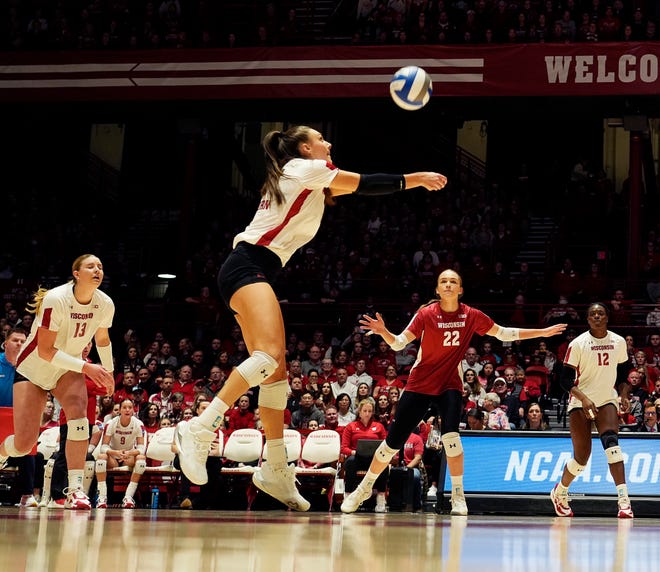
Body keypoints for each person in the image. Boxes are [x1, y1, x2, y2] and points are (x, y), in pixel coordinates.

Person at [174, 125, 447, 511]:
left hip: (256, 268)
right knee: (268, 356)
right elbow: (367, 183)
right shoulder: (304, 168)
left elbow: (351, 189)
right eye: (322, 139)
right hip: (247, 264)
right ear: (305, 147)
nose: (329, 143)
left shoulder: (307, 178)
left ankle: (274, 466)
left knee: (276, 375)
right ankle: (199, 428)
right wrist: (416, 178)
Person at [341, 268, 566, 516]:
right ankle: (364, 488)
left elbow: (503, 333)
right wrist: (385, 332)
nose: (448, 284)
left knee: (452, 439)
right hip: (420, 384)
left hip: (449, 384)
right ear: (437, 290)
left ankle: (458, 495)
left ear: (460, 289)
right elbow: (399, 342)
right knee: (391, 444)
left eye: (453, 281)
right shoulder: (426, 314)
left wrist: (541, 332)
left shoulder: (471, 315)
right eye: (443, 281)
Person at [0, 255, 115, 511]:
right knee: (24, 445)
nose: (97, 270)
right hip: (34, 369)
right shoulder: (56, 298)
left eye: (100, 266)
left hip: (67, 368)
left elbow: (103, 340)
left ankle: (75, 491)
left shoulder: (105, 303)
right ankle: (1, 453)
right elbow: (45, 351)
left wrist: (108, 371)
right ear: (76, 273)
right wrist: (87, 367)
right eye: (90, 266)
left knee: (79, 419)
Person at [549, 303, 634, 519]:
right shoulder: (578, 344)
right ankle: (560, 492)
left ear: (607, 317)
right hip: (580, 402)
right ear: (587, 319)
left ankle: (624, 502)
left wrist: (623, 395)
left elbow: (624, 376)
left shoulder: (618, 341)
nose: (597, 316)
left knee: (612, 446)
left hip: (606, 400)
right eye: (592, 314)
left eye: (600, 313)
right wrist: (584, 399)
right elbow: (565, 380)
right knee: (581, 459)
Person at [95, 398, 146, 508]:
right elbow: (103, 447)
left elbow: (142, 448)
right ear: (120, 411)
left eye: (130, 408)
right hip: (113, 457)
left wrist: (130, 453)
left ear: (133, 410)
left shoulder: (138, 424)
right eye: (124, 408)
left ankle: (128, 497)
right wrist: (115, 452)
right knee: (101, 456)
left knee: (141, 458)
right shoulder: (111, 423)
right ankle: (102, 497)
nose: (127, 410)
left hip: (128, 458)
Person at [340, 399, 388, 512]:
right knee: (350, 462)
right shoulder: (351, 426)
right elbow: (344, 448)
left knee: (384, 465)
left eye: (370, 411)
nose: (367, 413)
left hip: (374, 459)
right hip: (357, 458)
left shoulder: (379, 426)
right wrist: (353, 452)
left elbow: (385, 444)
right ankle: (347, 496)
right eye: (365, 411)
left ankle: (381, 498)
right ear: (359, 412)